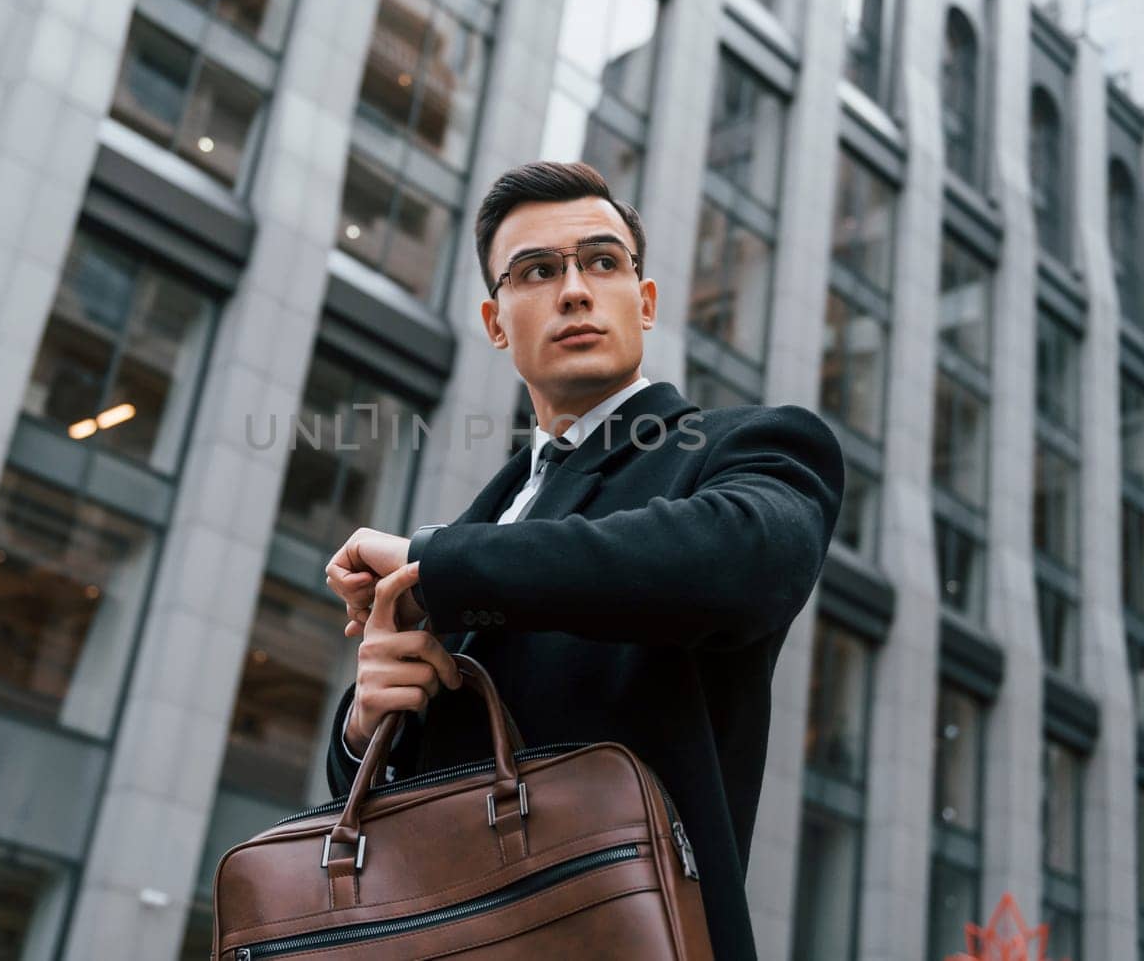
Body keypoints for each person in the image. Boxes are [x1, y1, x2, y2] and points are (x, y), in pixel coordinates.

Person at [321, 160, 843, 960]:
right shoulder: (487, 517)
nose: (573, 289)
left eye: (603, 262)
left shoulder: (746, 447)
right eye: (537, 270)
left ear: (647, 299)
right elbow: (393, 788)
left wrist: (436, 564)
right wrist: (365, 727)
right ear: (497, 322)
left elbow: (745, 560)